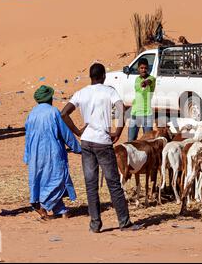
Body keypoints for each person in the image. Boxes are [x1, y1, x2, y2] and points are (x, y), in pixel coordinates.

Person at [61, 63, 142, 233]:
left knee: (91, 184)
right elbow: (121, 108)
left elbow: (63, 113)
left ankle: (95, 224)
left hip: (86, 142)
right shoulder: (109, 91)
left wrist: (77, 131)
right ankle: (124, 222)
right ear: (104, 75)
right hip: (103, 141)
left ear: (91, 76)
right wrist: (118, 132)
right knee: (113, 183)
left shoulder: (81, 92)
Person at [24, 85, 81, 219]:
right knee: (56, 179)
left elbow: (28, 136)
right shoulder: (54, 112)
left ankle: (60, 209)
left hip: (35, 154)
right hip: (52, 152)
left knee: (42, 179)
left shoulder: (31, 114)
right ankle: (40, 205)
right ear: (50, 98)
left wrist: (27, 155)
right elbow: (66, 134)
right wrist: (78, 148)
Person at [128, 58, 156, 142]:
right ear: (138, 69)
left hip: (147, 114)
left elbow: (150, 81)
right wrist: (143, 84)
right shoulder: (137, 79)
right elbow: (139, 87)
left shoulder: (152, 79)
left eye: (145, 68)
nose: (143, 70)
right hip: (135, 113)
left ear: (148, 68)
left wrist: (146, 82)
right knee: (131, 140)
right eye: (141, 68)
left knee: (148, 141)